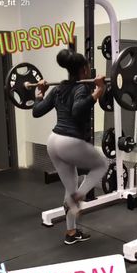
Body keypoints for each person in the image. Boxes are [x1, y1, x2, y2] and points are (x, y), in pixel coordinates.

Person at [32, 49, 108, 245]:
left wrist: (39, 94)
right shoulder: (81, 88)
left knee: (70, 184)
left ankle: (71, 232)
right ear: (84, 69)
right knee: (101, 165)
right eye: (88, 67)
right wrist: (98, 91)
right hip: (69, 142)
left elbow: (37, 111)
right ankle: (77, 198)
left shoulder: (58, 89)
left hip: (53, 141)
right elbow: (77, 111)